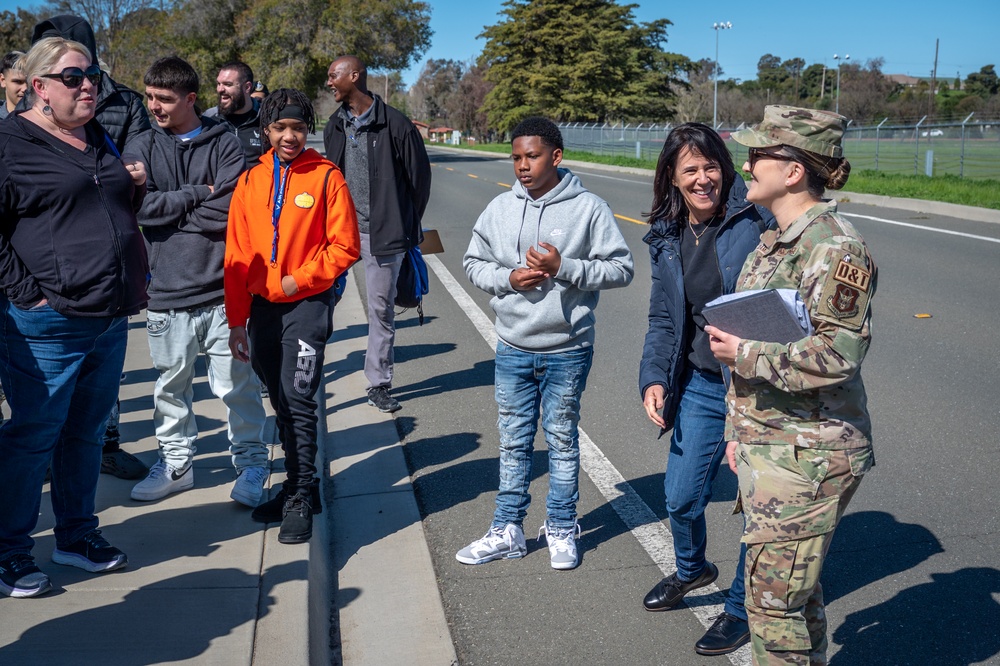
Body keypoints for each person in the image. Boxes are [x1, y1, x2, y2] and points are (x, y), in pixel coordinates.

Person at [705, 105, 877, 665]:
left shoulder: (833, 247)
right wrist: (740, 432)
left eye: (758, 155)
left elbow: (836, 356)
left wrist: (743, 353)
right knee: (791, 599)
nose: (746, 164)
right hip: (775, 442)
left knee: (772, 603)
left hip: (812, 450)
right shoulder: (774, 239)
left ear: (794, 170)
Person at [0, 36, 148, 598]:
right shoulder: (9, 143)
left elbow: (104, 205)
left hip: (108, 315)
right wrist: (27, 293)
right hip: (47, 323)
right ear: (38, 87)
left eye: (92, 76)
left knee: (85, 434)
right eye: (72, 78)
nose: (88, 86)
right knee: (33, 435)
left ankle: (76, 535)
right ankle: (10, 550)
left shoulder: (95, 135)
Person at [457, 117, 634, 570]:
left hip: (567, 349)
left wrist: (565, 267)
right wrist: (508, 278)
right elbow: (473, 263)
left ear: (555, 156)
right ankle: (507, 528)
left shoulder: (588, 208)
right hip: (513, 346)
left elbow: (621, 268)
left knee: (561, 439)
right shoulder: (499, 208)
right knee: (514, 441)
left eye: (531, 156)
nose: (522, 166)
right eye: (515, 157)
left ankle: (560, 526)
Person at [638, 123, 773, 656]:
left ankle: (739, 609)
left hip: (756, 383)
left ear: (726, 168)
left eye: (711, 166)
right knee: (680, 497)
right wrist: (652, 377)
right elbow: (664, 317)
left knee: (758, 506)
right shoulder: (667, 233)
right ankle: (693, 569)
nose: (702, 179)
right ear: (672, 177)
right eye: (689, 169)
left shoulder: (753, 217)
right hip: (697, 382)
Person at [122, 56, 270, 506]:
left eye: (164, 99)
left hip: (223, 291)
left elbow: (230, 211)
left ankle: (251, 464)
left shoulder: (223, 143)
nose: (154, 107)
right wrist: (197, 195)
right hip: (166, 291)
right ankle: (176, 463)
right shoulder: (141, 143)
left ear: (190, 98)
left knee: (237, 388)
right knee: (170, 388)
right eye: (149, 97)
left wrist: (170, 206)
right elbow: (138, 210)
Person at [225, 89, 360, 543]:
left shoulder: (326, 176)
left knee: (298, 396)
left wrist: (297, 281)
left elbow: (345, 246)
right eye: (280, 128)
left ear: (308, 130)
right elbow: (237, 256)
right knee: (280, 400)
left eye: (298, 128)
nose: (289, 136)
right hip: (261, 309)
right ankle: (298, 485)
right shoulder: (250, 180)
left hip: (307, 303)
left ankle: (302, 492)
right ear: (266, 130)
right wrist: (235, 322)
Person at [30, 14, 153, 481]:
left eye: (84, 73)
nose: (80, 85)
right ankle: (45, 453)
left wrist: (127, 172)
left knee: (101, 378)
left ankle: (107, 442)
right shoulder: (22, 114)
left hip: (108, 255)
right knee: (44, 393)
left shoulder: (123, 103)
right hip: (46, 267)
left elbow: (142, 158)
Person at [323, 55, 431, 414]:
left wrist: (403, 224)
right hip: (339, 232)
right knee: (317, 301)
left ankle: (378, 383)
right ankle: (305, 370)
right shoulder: (334, 125)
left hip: (381, 234)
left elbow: (419, 181)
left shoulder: (396, 124)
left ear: (354, 77)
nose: (329, 83)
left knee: (380, 310)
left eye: (333, 76)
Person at [204, 61, 264, 164]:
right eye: (218, 84)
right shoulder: (210, 119)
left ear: (247, 87)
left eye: (227, 84)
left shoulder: (266, 118)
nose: (220, 89)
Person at [0, 51, 27, 119]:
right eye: (18, 81)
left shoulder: (46, 119)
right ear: (3, 80)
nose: (25, 88)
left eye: (29, 82)